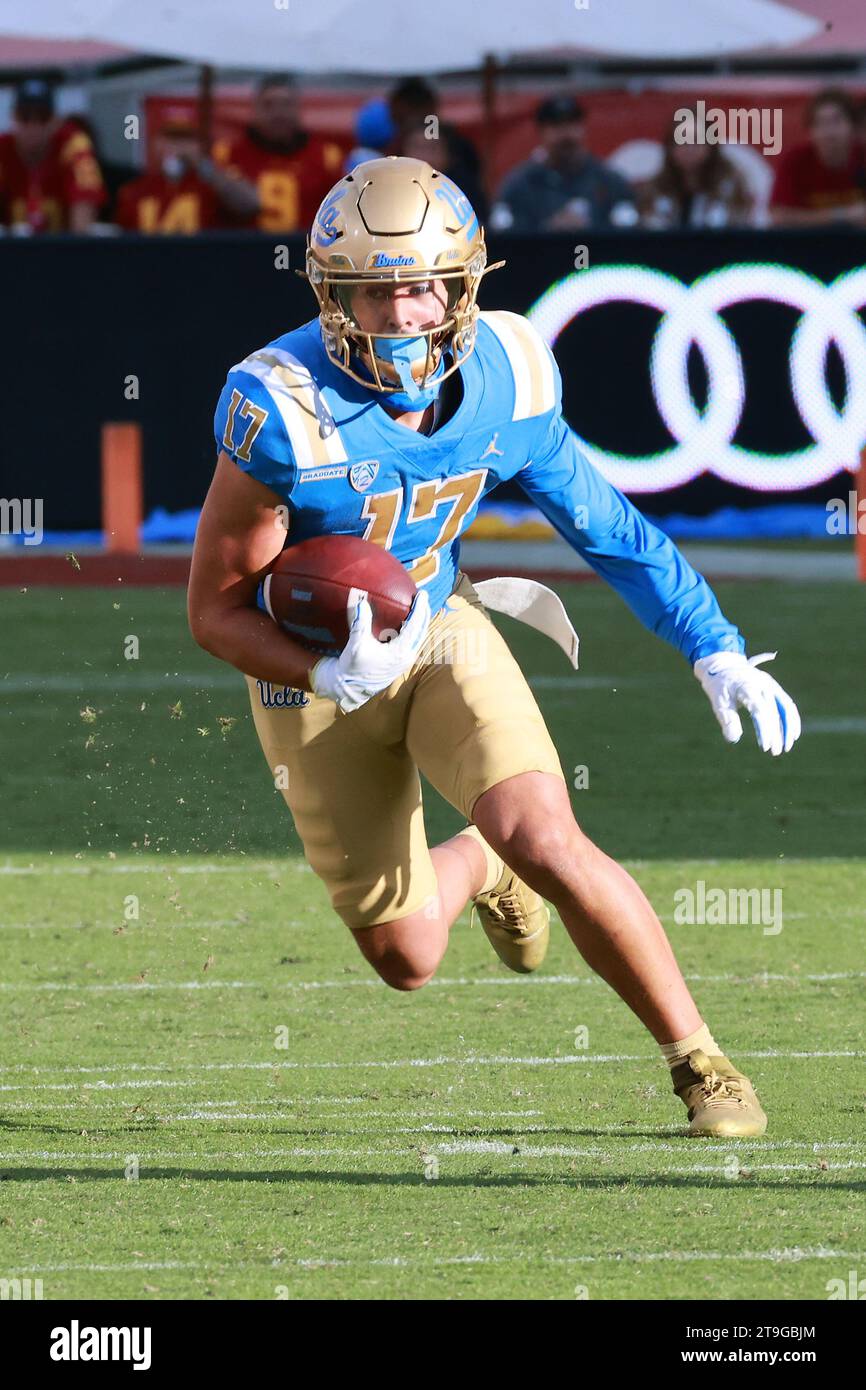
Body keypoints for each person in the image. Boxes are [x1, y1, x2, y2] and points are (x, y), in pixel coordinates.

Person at [189, 156, 801, 1139]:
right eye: (376, 290)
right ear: (332, 294)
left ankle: (702, 1065)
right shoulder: (279, 405)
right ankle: (481, 865)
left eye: (426, 282)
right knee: (405, 957)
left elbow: (605, 525)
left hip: (436, 629)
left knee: (549, 836)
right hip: (306, 676)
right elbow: (213, 610)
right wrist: (317, 669)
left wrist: (711, 644)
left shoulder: (507, 378)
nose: (405, 310)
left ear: (467, 281)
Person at [208, 73, 344, 232]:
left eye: (286, 104)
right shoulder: (226, 154)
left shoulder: (327, 157)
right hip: (245, 252)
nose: (278, 113)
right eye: (268, 105)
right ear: (254, 110)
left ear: (299, 109)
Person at [491, 94, 635, 232]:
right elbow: (506, 238)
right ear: (541, 132)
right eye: (556, 126)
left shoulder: (609, 181)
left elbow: (629, 235)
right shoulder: (520, 185)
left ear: (583, 128)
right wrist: (549, 231)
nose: (566, 134)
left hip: (598, 257)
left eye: (572, 124)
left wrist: (589, 230)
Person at [0, 78, 105, 233]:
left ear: (55, 121)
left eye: (43, 117)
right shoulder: (3, 149)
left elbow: (83, 224)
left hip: (63, 252)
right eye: (25, 117)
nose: (33, 126)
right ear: (13, 119)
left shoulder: (72, 145)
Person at [388, 75, 487, 222]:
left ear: (448, 155)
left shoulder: (462, 190)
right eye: (417, 148)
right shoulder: (390, 183)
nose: (424, 156)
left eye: (431, 149)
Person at [637, 108, 754, 228]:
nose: (690, 149)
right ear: (670, 147)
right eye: (682, 141)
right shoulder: (655, 189)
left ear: (711, 146)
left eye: (697, 141)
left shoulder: (731, 186)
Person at [770, 87, 866, 227]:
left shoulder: (862, 156)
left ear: (853, 126)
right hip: (807, 246)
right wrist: (841, 215)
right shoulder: (795, 160)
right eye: (820, 123)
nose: (829, 132)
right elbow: (778, 217)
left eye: (836, 121)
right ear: (810, 131)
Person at [115, 114, 222, 233]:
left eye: (186, 140)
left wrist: (201, 165)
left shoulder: (213, 188)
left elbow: (243, 206)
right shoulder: (134, 191)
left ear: (200, 146)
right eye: (171, 139)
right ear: (155, 144)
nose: (177, 147)